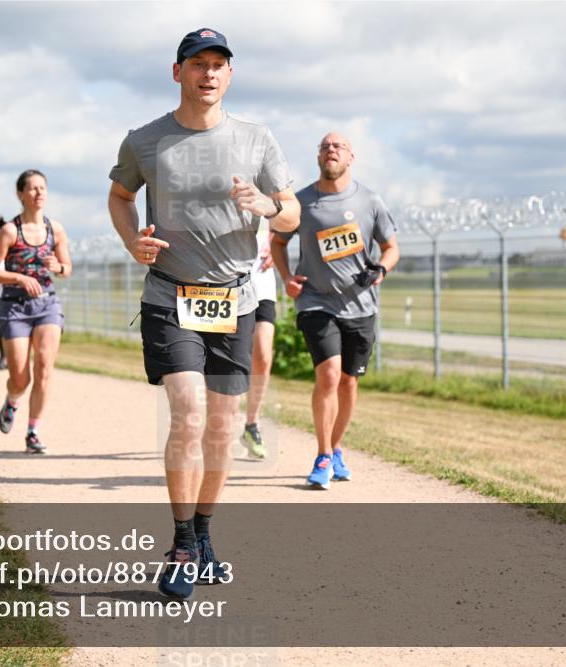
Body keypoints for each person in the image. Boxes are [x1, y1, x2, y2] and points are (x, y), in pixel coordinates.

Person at [108, 28, 300, 599]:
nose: (208, 73)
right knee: (188, 414)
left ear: (230, 74)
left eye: (218, 64)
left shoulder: (257, 139)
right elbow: (120, 196)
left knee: (221, 426)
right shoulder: (145, 141)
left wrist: (267, 205)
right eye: (198, 64)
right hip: (170, 296)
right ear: (178, 72)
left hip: (234, 301)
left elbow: (291, 213)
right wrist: (131, 241)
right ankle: (182, 543)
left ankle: (205, 531)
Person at [271, 132, 400, 489]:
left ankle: (337, 446)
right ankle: (323, 455)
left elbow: (391, 248)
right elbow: (278, 242)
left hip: (360, 305)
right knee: (328, 374)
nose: (331, 150)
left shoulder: (369, 200)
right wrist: (287, 278)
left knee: (348, 381)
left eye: (338, 146)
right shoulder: (301, 203)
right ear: (318, 157)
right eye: (325, 146)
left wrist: (381, 269)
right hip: (316, 301)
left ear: (350, 157)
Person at [0, 170, 71, 453]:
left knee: (44, 367)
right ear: (20, 194)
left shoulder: (55, 229)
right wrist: (19, 278)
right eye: (32, 188)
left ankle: (33, 432)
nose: (39, 193)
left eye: (42, 187)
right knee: (20, 378)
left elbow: (67, 269)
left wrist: (58, 267)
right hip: (15, 307)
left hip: (47, 304)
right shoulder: (10, 231)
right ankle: (12, 400)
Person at [239, 223, 277, 459]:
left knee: (262, 355)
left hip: (261, 282)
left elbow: (287, 218)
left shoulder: (267, 198)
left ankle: (251, 425)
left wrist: (275, 244)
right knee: (220, 356)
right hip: (224, 284)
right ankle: (211, 421)